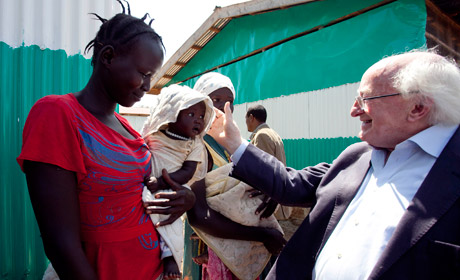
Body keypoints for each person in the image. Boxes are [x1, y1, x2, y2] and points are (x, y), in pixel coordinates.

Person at [208, 50, 460, 279]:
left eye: (365, 99)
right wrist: (234, 142)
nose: (354, 111)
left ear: (417, 107)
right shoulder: (356, 156)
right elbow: (290, 184)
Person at [16, 2, 195, 279]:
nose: (148, 87)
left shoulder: (128, 128)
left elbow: (137, 193)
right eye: (144, 74)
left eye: (152, 77)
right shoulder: (58, 114)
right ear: (108, 57)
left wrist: (183, 199)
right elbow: (60, 243)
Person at [185, 72, 286, 280]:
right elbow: (198, 215)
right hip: (215, 249)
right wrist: (262, 235)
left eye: (229, 102)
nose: (223, 108)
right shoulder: (195, 147)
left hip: (235, 250)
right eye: (216, 100)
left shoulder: (225, 144)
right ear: (199, 102)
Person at [140, 84, 215, 279]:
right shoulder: (155, 133)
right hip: (147, 183)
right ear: (172, 113)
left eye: (201, 116)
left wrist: (164, 182)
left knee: (170, 220)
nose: (198, 120)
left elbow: (188, 172)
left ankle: (171, 257)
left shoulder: (195, 144)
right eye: (191, 115)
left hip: (173, 187)